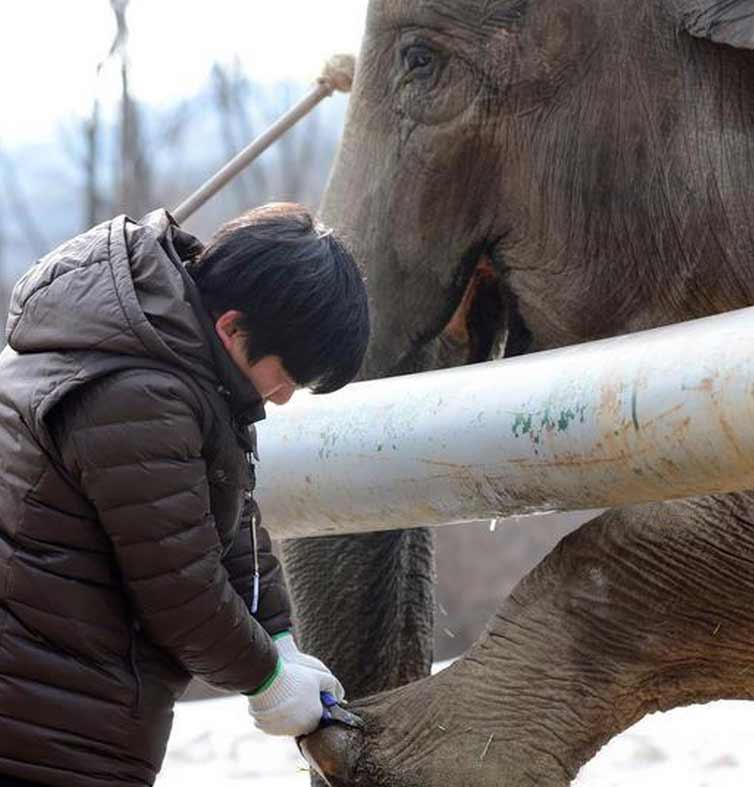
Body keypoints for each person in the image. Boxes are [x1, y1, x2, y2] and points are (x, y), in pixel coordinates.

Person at [0, 203, 370, 787]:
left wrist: (278, 636)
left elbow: (228, 516)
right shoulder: (136, 391)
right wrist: (267, 678)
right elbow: (179, 588)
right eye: (289, 375)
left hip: (59, 702)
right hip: (37, 716)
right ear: (232, 327)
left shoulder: (183, 361)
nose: (283, 398)